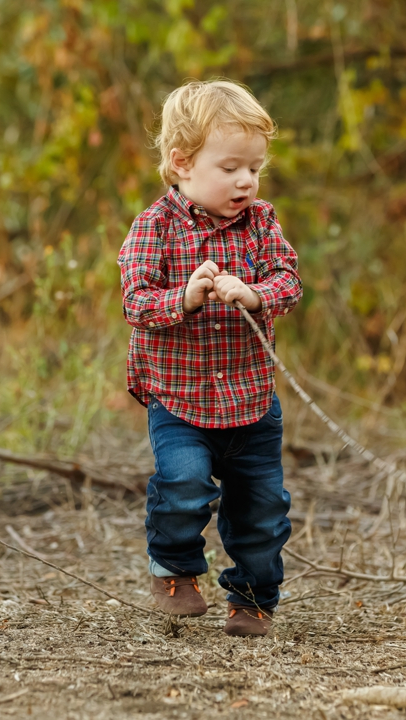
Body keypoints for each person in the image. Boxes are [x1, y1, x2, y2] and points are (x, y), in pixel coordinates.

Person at [117, 79, 302, 637]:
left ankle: (252, 595)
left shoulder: (262, 223)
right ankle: (174, 570)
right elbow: (136, 301)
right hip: (180, 399)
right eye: (230, 168)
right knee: (184, 482)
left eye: (255, 167)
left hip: (250, 400)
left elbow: (288, 281)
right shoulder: (155, 227)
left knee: (262, 507)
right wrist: (187, 297)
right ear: (182, 164)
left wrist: (255, 293)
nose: (246, 180)